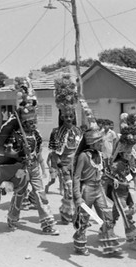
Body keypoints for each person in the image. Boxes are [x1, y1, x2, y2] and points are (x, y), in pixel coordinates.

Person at [0, 80, 59, 235]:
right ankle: (12, 218)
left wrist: (43, 167)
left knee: (40, 193)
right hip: (20, 168)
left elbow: (38, 152)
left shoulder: (37, 135)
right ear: (23, 121)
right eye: (30, 122)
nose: (33, 124)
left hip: (34, 168)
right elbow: (1, 149)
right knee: (20, 193)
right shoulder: (15, 132)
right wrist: (16, 153)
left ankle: (47, 224)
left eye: (34, 121)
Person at [72, 128, 122, 256]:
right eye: (99, 142)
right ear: (92, 143)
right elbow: (76, 177)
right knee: (84, 218)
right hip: (87, 190)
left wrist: (112, 179)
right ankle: (79, 245)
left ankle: (110, 246)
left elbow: (103, 172)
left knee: (107, 216)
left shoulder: (99, 155)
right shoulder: (83, 156)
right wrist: (78, 196)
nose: (102, 144)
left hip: (99, 189)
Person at [107, 113, 136, 251]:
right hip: (117, 193)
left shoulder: (129, 164)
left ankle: (105, 230)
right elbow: (108, 175)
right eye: (126, 153)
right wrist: (116, 180)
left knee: (116, 214)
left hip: (125, 192)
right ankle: (132, 239)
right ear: (121, 153)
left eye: (130, 153)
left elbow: (132, 174)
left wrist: (129, 179)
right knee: (126, 214)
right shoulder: (116, 165)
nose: (129, 155)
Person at [48, 81, 83, 224]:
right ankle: (65, 212)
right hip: (65, 166)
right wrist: (59, 167)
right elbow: (55, 154)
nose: (69, 119)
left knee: (78, 192)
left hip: (78, 166)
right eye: (66, 117)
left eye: (71, 117)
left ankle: (76, 214)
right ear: (62, 117)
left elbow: (82, 150)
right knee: (68, 190)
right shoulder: (56, 133)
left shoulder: (79, 131)